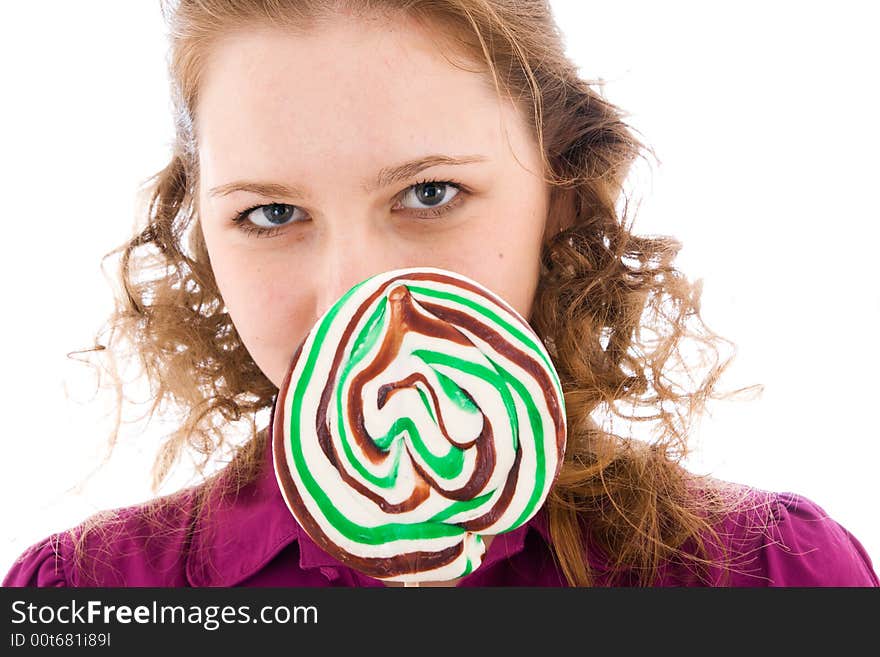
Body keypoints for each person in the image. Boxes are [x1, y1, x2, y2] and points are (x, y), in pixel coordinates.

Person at [3, 0, 877, 588]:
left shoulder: (773, 577)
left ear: (559, 196)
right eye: (273, 212)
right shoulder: (86, 596)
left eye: (429, 194)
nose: (356, 291)